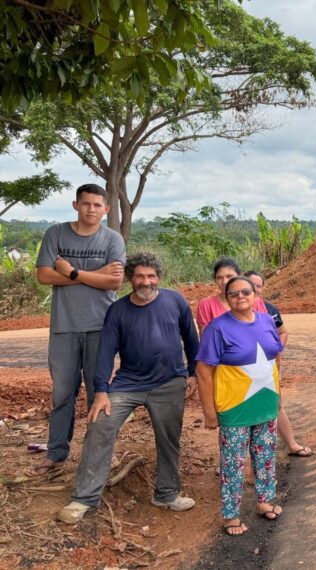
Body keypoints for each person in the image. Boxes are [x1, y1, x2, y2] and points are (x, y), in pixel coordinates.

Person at [56, 252, 198, 523]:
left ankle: (166, 494)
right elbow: (106, 353)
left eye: (151, 276)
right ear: (131, 279)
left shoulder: (175, 300)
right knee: (100, 425)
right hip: (128, 383)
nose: (146, 281)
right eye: (140, 276)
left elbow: (191, 339)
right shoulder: (118, 310)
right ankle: (84, 498)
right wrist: (101, 391)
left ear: (159, 277)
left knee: (169, 438)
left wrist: (193, 374)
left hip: (169, 382)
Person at [27, 183, 126, 478]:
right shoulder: (56, 234)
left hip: (101, 328)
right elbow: (44, 275)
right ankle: (56, 454)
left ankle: (100, 455)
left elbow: (114, 283)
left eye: (97, 205)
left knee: (100, 393)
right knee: (62, 394)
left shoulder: (112, 239)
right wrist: (92, 276)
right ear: (76, 205)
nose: (91, 209)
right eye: (86, 204)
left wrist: (69, 272)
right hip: (64, 328)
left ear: (106, 209)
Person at [196, 275, 285, 536]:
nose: (241, 297)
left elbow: (275, 357)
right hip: (235, 407)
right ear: (226, 297)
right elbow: (203, 372)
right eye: (233, 293)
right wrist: (209, 412)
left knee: (266, 456)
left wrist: (279, 395)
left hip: (266, 401)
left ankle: (264, 501)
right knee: (233, 463)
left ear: (255, 294)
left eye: (246, 291)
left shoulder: (267, 321)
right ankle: (231, 515)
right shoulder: (217, 328)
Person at [197, 260, 313, 458]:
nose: (226, 282)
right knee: (233, 434)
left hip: (263, 380)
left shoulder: (263, 314)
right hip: (228, 381)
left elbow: (273, 341)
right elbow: (205, 360)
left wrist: (275, 356)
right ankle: (232, 461)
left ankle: (290, 444)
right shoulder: (213, 319)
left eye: (230, 276)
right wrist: (209, 412)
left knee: (267, 441)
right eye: (220, 277)